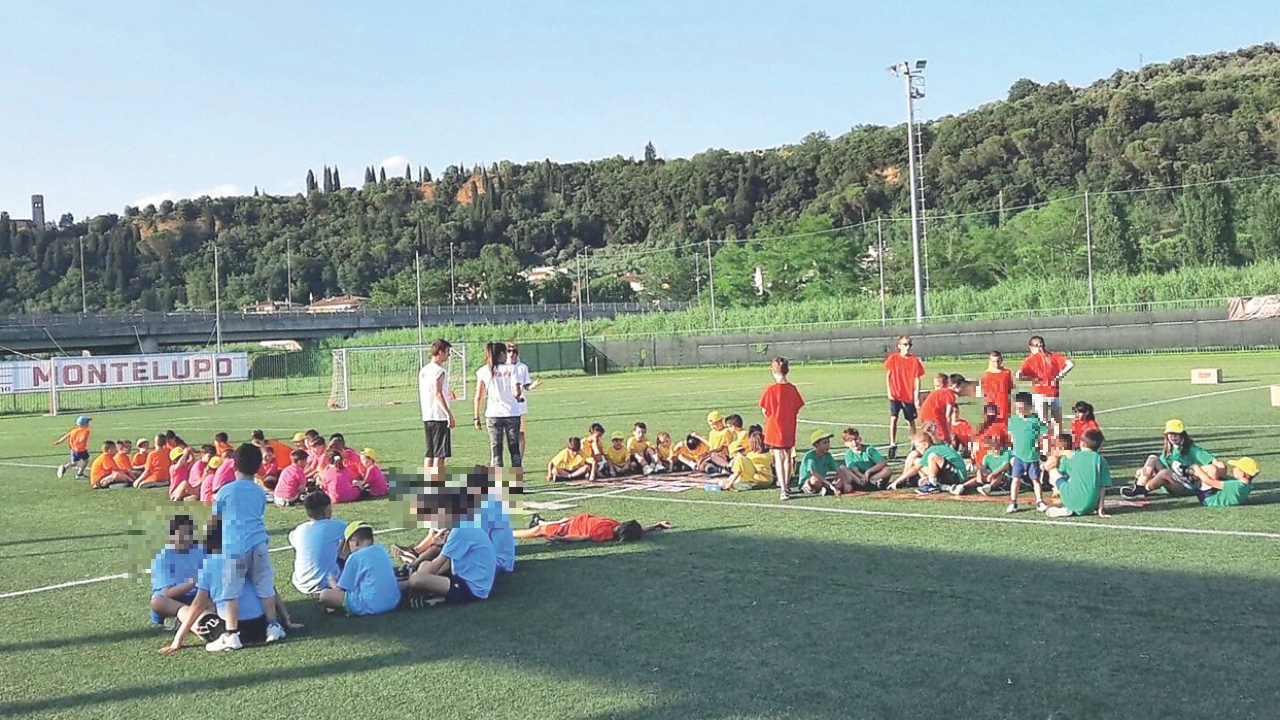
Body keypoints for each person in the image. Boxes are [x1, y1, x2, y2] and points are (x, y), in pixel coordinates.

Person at [160, 517, 298, 653]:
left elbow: (197, 605)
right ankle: (275, 627)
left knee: (184, 612)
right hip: (262, 627)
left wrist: (177, 640)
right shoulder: (249, 557)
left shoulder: (209, 565)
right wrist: (286, 620)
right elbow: (270, 590)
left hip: (234, 632)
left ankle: (219, 636)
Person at [209, 444, 286, 650]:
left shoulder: (225, 491)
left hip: (234, 545)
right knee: (264, 584)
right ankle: (273, 625)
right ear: (259, 467)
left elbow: (217, 519)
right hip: (258, 542)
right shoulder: (259, 492)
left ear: (234, 465)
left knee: (231, 590)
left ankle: (231, 633)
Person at [401, 491, 497, 606]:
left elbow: (434, 568)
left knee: (417, 578)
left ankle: (413, 590)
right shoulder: (464, 525)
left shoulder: (460, 530)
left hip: (472, 589)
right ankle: (414, 588)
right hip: (472, 580)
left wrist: (421, 571)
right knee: (423, 570)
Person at [1123, 419, 1227, 498]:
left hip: (1186, 485)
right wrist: (1143, 472)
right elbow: (1160, 464)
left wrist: (1216, 479)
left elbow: (1216, 464)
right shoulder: (1169, 450)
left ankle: (1143, 490)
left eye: (1176, 434)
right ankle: (1139, 487)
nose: (1173, 437)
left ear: (1182, 435)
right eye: (1170, 434)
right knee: (1152, 458)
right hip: (1173, 479)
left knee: (1164, 473)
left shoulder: (1192, 450)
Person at [318, 522, 401, 616]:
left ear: (355, 542)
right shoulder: (381, 549)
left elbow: (341, 589)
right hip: (393, 601)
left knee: (325, 594)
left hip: (369, 606)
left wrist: (332, 582)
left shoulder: (354, 557)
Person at [149, 514, 208, 626]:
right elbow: (167, 593)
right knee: (157, 602)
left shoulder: (203, 550)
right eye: (177, 535)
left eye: (186, 535)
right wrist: (194, 581)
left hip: (198, 597)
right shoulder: (163, 558)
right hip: (174, 602)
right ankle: (194, 617)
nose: (181, 539)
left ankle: (187, 620)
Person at [759, 356, 805, 501]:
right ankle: (786, 484)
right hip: (788, 425)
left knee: (779, 457)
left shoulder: (770, 389)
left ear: (773, 371)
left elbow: (765, 410)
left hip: (774, 426)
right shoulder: (792, 389)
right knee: (787, 456)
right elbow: (797, 407)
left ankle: (783, 488)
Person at [474, 342, 523, 468]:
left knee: (496, 450)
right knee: (514, 449)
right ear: (501, 354)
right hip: (511, 413)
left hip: (493, 414)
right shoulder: (512, 369)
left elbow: (479, 396)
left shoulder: (483, 371)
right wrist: (518, 396)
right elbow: (516, 392)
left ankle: (497, 478)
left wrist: (476, 417)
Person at [288, 491, 348, 594]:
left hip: (301, 584)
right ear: (327, 509)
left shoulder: (299, 530)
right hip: (328, 582)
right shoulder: (339, 526)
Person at [1045, 429, 1113, 518]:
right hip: (1091, 506)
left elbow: (1061, 469)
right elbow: (1103, 488)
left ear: (1082, 444)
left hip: (1071, 500)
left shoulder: (1075, 456)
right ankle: (1072, 507)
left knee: (1053, 471)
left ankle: (1066, 504)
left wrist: (1050, 461)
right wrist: (1100, 510)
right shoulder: (1101, 460)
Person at [1006, 392, 1050, 514]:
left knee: (1035, 479)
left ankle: (1039, 501)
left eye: (1023, 407)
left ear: (1029, 406)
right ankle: (1013, 502)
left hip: (1032, 456)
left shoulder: (1035, 420)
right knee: (1016, 479)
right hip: (1018, 456)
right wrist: (1012, 454)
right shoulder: (1013, 420)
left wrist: (1043, 449)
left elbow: (1045, 433)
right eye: (1018, 407)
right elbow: (1011, 437)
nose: (1020, 410)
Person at [1017, 335, 1074, 427]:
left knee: (1045, 423)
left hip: (1044, 395)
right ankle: (1054, 436)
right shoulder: (1051, 357)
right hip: (1049, 395)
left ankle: (1048, 436)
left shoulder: (1031, 360)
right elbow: (1070, 364)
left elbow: (1018, 375)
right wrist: (1060, 375)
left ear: (1031, 348)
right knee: (1056, 423)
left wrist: (1030, 379)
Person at [419, 338, 456, 479]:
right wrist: (448, 414)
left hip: (427, 415)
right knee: (440, 454)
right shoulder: (439, 371)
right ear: (440, 352)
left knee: (430, 453)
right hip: (438, 416)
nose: (448, 355)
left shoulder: (424, 370)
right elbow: (437, 393)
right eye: (447, 352)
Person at [884, 336, 926, 459]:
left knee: (910, 421)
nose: (907, 347)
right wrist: (889, 391)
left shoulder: (914, 361)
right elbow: (888, 375)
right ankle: (892, 444)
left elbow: (917, 378)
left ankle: (914, 443)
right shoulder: (893, 358)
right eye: (905, 344)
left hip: (908, 395)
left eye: (909, 345)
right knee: (893, 418)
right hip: (896, 394)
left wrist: (916, 395)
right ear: (899, 346)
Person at [515, 514, 672, 543]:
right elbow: (582, 537)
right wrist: (561, 539)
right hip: (566, 529)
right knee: (538, 531)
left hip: (574, 521)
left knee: (544, 526)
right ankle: (511, 533)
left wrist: (656, 525)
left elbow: (638, 530)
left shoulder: (614, 522)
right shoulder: (604, 532)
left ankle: (539, 521)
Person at [507, 342, 541, 460]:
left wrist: (532, 386)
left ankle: (518, 460)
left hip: (520, 407)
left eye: (514, 351)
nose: (511, 354)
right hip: (505, 407)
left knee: (520, 433)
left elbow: (526, 385)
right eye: (509, 351)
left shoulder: (522, 367)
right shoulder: (501, 368)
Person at [797, 430, 855, 496]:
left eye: (828, 442)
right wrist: (829, 484)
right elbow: (813, 473)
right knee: (814, 480)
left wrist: (844, 482)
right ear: (816, 445)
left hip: (823, 481)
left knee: (843, 470)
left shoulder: (827, 455)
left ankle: (830, 488)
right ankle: (823, 488)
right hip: (809, 482)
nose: (828, 445)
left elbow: (838, 469)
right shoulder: (810, 456)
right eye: (824, 443)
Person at [913, 430, 968, 495]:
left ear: (925, 444)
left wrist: (902, 479)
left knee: (933, 457)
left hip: (958, 474)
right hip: (950, 471)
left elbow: (915, 468)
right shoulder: (934, 447)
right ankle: (938, 484)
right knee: (917, 461)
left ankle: (932, 484)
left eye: (918, 446)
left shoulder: (932, 449)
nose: (917, 449)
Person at [916, 372, 957, 443]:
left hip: (923, 416)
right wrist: (949, 433)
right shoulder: (948, 393)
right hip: (933, 418)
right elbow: (948, 416)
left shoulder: (934, 393)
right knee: (941, 438)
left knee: (928, 437)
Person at [53, 415, 92, 479]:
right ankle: (79, 473)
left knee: (74, 463)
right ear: (85, 424)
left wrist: (59, 441)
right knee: (86, 460)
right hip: (81, 450)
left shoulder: (74, 430)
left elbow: (66, 436)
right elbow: (82, 438)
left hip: (73, 450)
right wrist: (80, 440)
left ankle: (65, 468)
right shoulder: (86, 430)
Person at [980, 351, 1014, 423]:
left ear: (1001, 360)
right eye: (993, 361)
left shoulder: (1007, 373)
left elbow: (1009, 388)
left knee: (1005, 424)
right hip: (992, 405)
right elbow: (985, 391)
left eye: (998, 361)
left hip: (1004, 404)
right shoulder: (987, 374)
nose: (996, 364)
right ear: (990, 361)